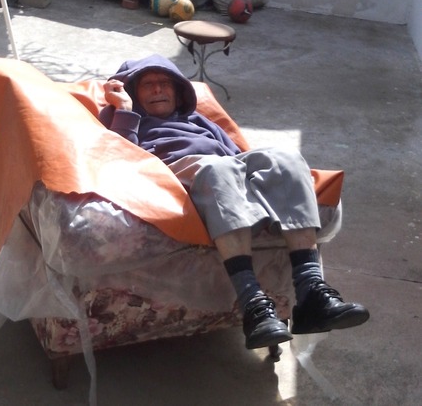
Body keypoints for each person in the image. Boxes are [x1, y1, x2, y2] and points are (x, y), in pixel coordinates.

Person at [99, 54, 369, 350]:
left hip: (223, 169)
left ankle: (311, 294)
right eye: (148, 85)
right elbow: (119, 159)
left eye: (165, 83)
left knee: (286, 158)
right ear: (133, 92)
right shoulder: (123, 118)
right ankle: (253, 305)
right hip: (178, 175)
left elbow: (235, 155)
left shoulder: (197, 120)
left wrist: (260, 184)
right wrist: (124, 109)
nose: (158, 89)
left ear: (177, 91)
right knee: (219, 169)